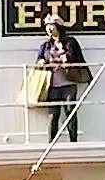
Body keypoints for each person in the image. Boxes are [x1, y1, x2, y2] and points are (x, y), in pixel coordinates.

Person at [28, 15, 91, 143]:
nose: (49, 29)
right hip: (52, 85)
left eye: (51, 26)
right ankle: (51, 143)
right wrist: (40, 62)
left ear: (59, 27)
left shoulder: (70, 42)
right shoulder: (45, 46)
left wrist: (86, 75)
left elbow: (79, 58)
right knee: (53, 114)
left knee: (70, 112)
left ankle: (73, 142)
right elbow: (39, 60)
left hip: (68, 83)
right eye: (47, 27)